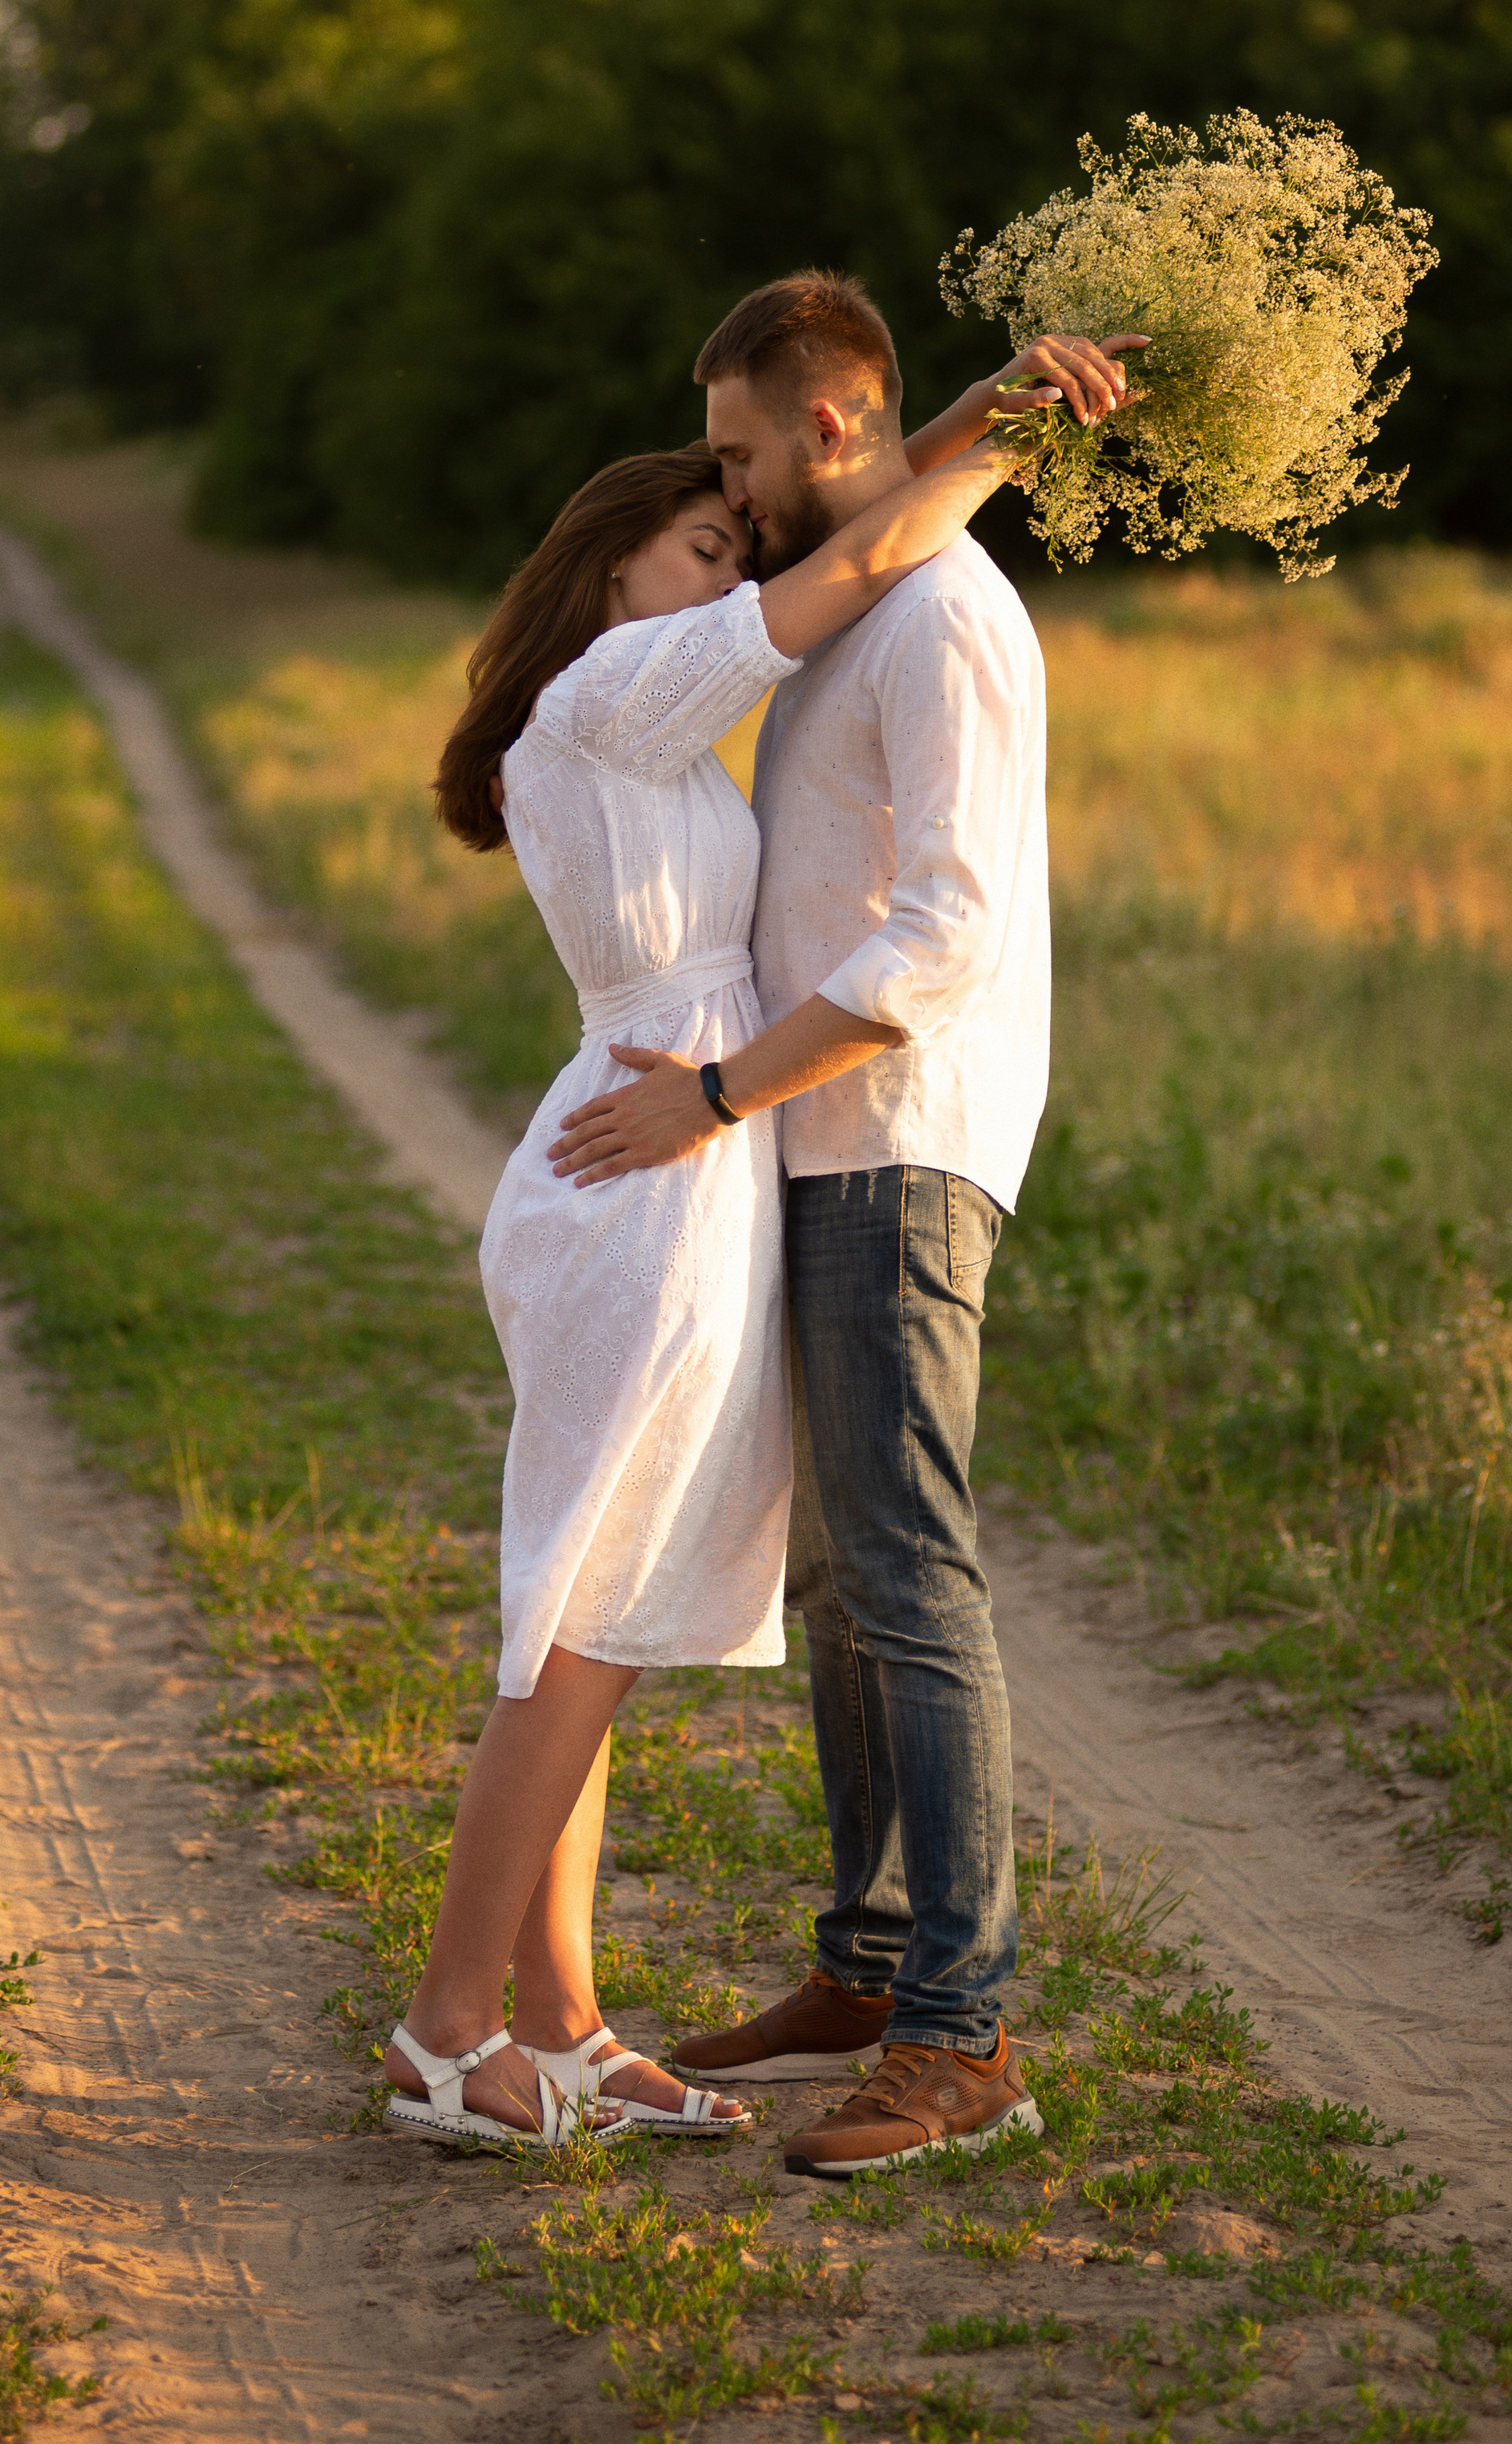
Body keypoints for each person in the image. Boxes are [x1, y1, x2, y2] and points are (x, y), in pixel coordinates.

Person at [545, 274, 1143, 2175]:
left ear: (820, 426)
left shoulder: (948, 618)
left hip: (890, 1137)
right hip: (817, 1147)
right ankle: (872, 1967)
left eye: (732, 450)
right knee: (839, 1584)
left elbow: (944, 935)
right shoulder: (851, 607)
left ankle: (959, 2034)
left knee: (906, 1568)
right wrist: (988, 413)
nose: (718, 482)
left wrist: (719, 1093)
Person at [383, 419, 1031, 2146]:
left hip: (658, 1162)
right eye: (698, 548)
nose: (726, 578)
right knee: (577, 1633)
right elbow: (854, 564)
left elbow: (837, 553)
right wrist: (1000, 424)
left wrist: (950, 436)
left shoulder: (629, 722)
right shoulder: (612, 692)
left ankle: (563, 2024)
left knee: (584, 1612)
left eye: (726, 555)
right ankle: (449, 2029)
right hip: (646, 1178)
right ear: (610, 568)